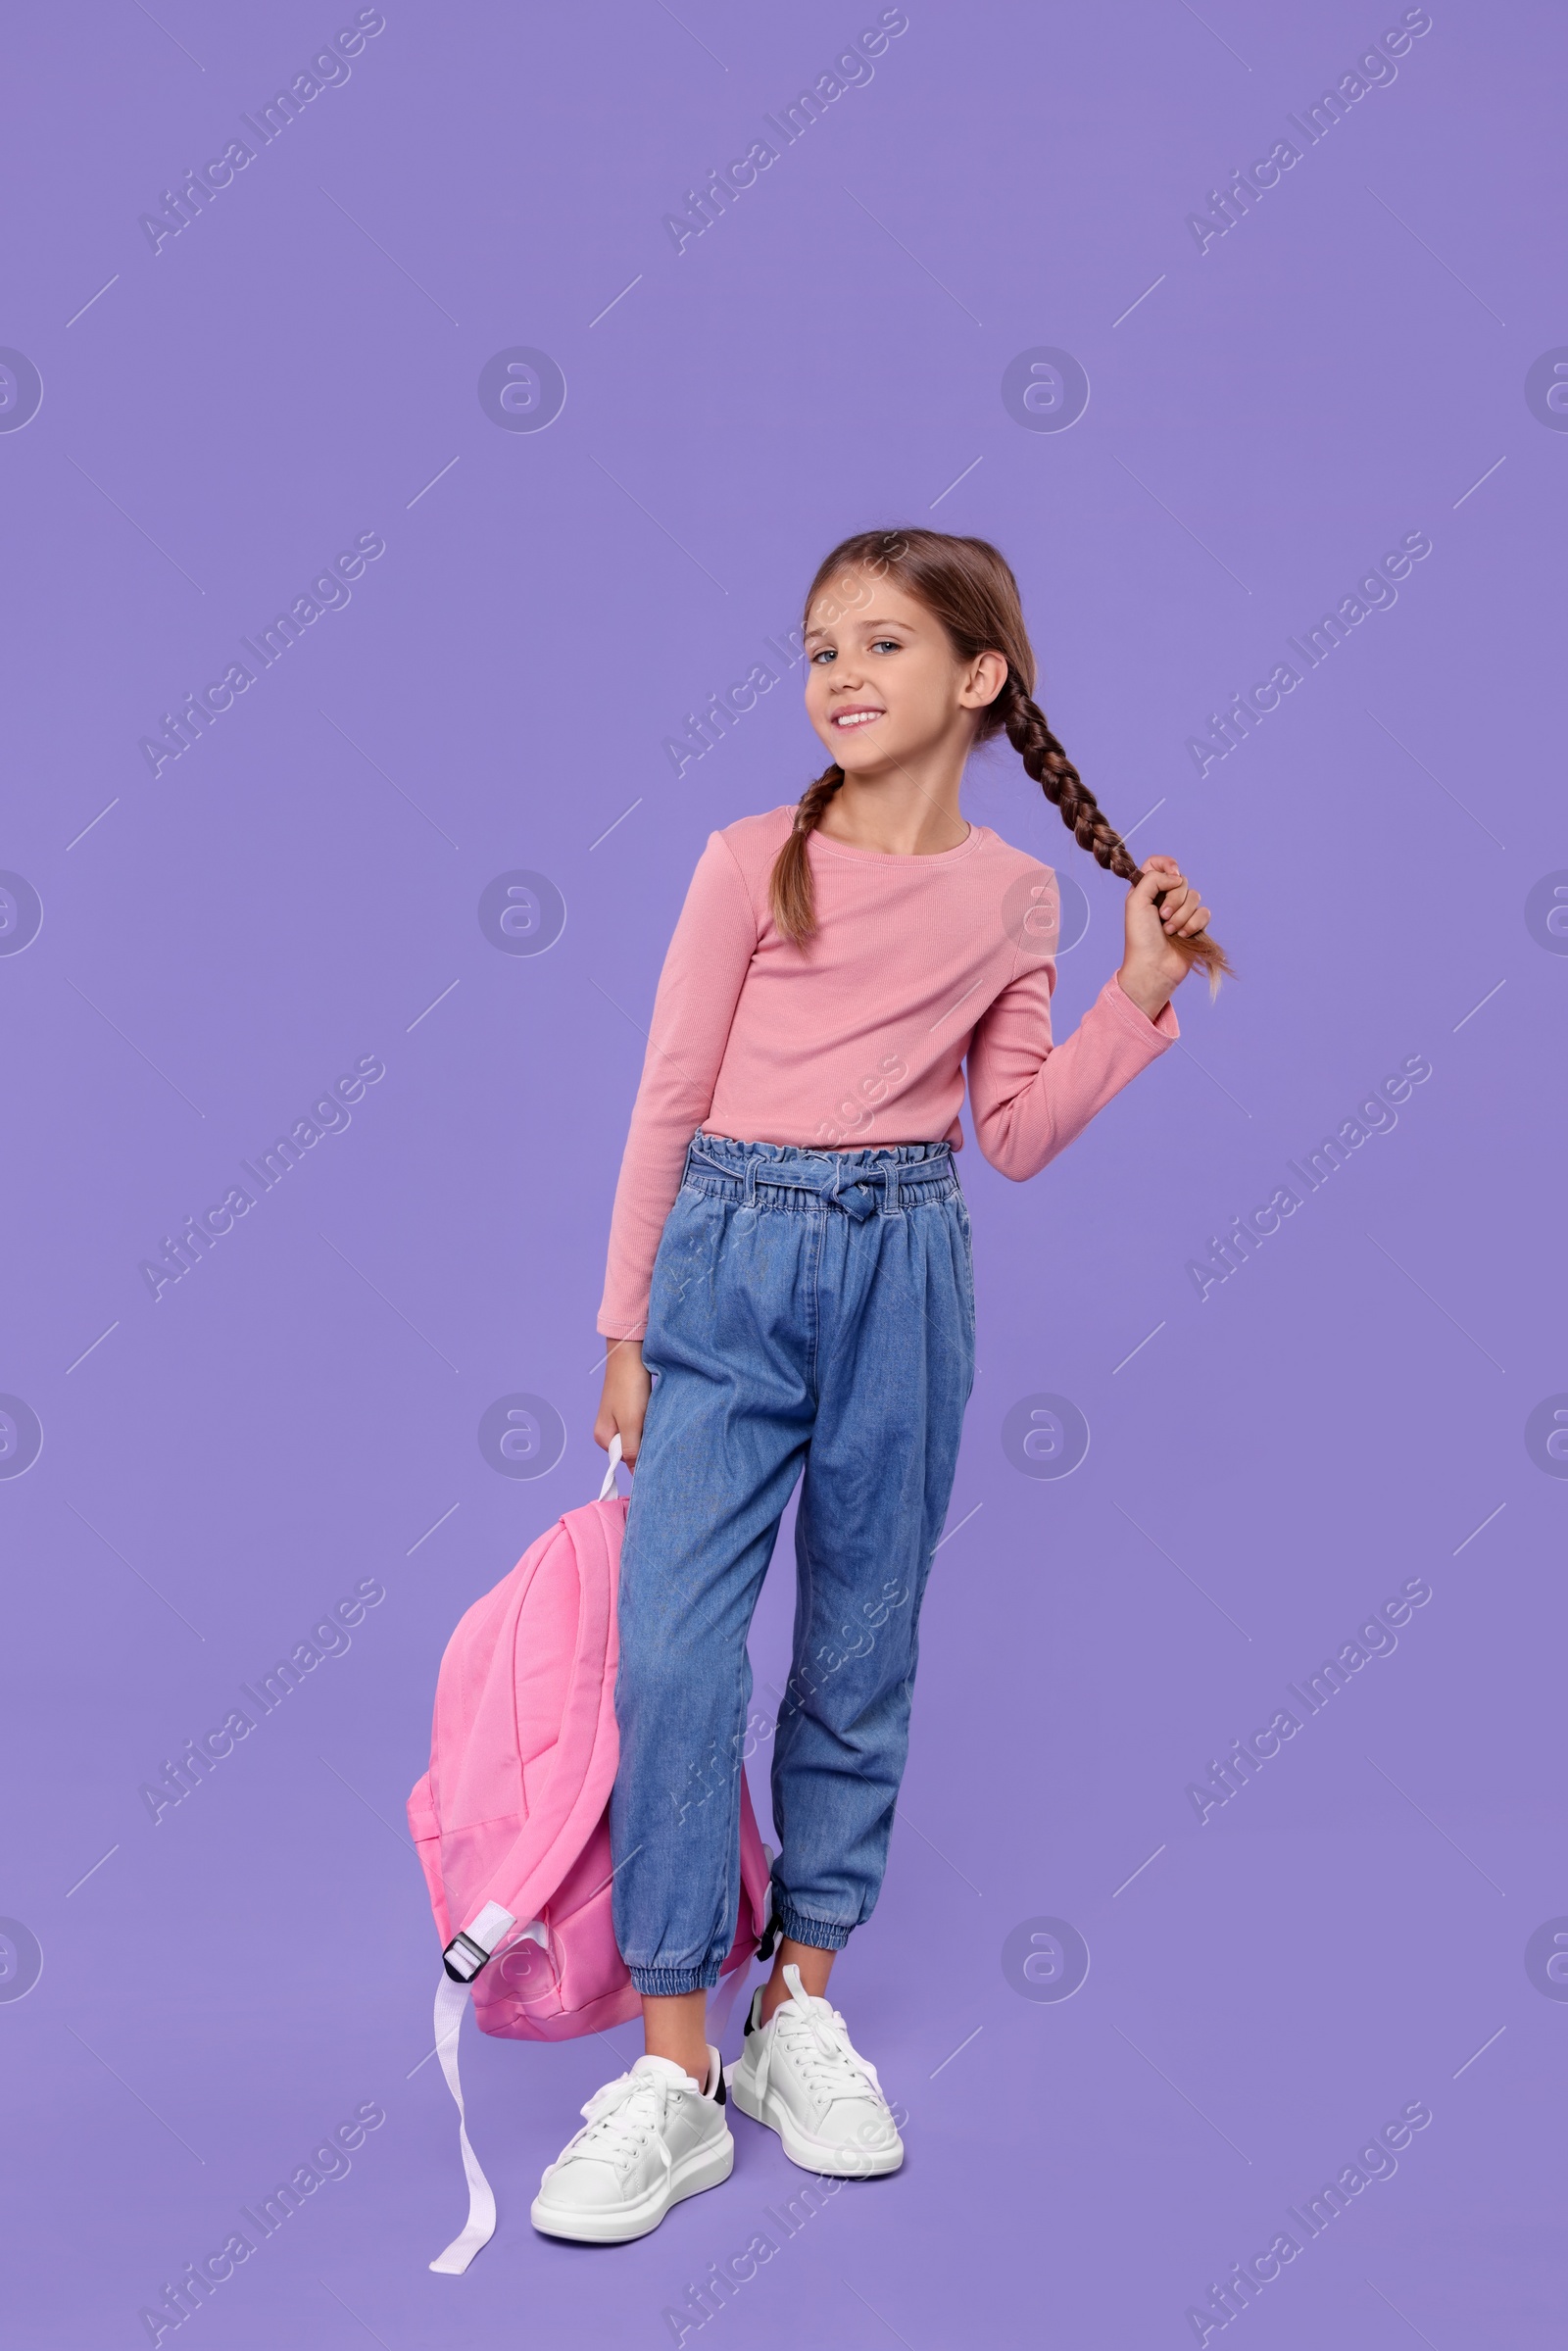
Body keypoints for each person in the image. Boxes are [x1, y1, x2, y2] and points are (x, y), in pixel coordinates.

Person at [529, 528, 1225, 2243]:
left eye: (884, 647)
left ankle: (800, 2011)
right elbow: (666, 1099)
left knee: (858, 1643)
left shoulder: (1012, 895)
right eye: (820, 649)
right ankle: (673, 2066)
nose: (840, 676)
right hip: (727, 1265)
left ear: (980, 679)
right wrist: (625, 1329)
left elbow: (1015, 1136)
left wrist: (1135, 1000)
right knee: (679, 1654)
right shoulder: (747, 859)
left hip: (905, 1273)